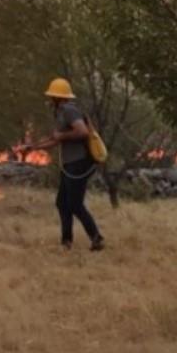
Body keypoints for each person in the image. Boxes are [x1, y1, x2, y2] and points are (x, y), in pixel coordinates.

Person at [22, 78, 105, 251]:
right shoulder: (60, 112)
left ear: (57, 97)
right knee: (62, 202)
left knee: (75, 204)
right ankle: (66, 241)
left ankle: (97, 238)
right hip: (69, 164)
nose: (49, 99)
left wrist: (62, 137)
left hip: (78, 163)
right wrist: (33, 147)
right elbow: (54, 140)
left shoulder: (69, 110)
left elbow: (81, 131)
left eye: (51, 95)